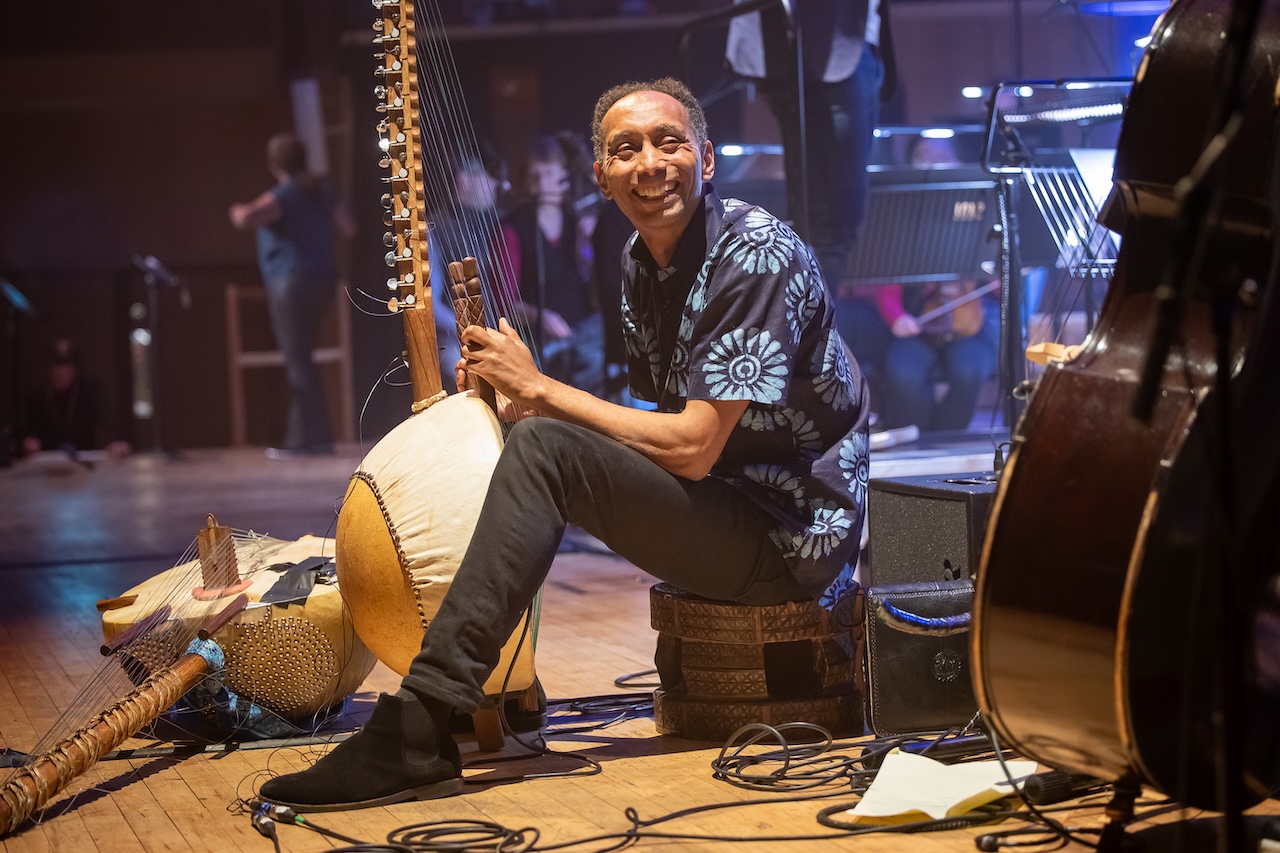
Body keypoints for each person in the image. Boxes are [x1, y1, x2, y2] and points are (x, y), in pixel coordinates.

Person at [258, 77, 871, 812]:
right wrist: (521, 402)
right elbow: (661, 425)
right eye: (626, 149)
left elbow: (695, 447)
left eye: (670, 142)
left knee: (549, 444)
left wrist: (545, 392)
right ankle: (445, 709)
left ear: (707, 159)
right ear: (601, 177)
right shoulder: (641, 264)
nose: (650, 162)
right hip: (729, 501)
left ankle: (416, 729)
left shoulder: (754, 254)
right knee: (542, 442)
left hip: (790, 536)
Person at [725, 0, 885, 288]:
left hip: (853, 41)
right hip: (814, 46)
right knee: (830, 223)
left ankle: (815, 326)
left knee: (836, 222)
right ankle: (817, 330)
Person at [229, 132, 355, 459]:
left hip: (292, 284)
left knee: (298, 361)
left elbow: (247, 217)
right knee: (304, 359)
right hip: (323, 281)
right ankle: (318, 436)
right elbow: (348, 226)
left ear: (274, 163)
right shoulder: (321, 190)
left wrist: (236, 209)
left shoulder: (285, 193)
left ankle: (305, 440)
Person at [500, 134, 606, 394]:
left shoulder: (577, 220)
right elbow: (503, 300)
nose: (542, 184)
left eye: (549, 174)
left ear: (564, 178)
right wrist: (540, 316)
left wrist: (587, 246)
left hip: (581, 335)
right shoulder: (513, 227)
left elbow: (594, 283)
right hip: (536, 341)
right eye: (535, 176)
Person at [21, 337, 131, 460]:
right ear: (49, 368)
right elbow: (26, 430)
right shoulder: (37, 394)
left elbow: (108, 416)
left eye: (66, 366)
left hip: (84, 459)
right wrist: (28, 441)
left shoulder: (90, 389)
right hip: (47, 461)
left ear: (75, 368)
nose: (61, 372)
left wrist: (115, 440)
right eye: (56, 366)